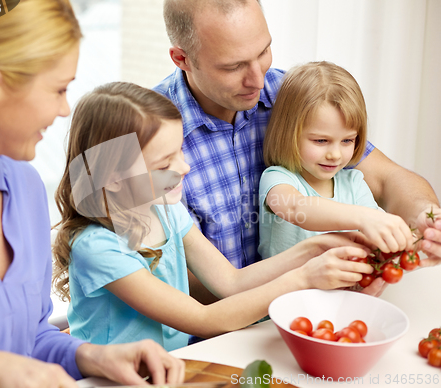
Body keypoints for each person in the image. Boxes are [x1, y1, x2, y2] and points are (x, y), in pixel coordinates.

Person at [0, 1, 184, 387]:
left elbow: (30, 339)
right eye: (58, 89)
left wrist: (94, 356)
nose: (64, 108)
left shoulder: (24, 188)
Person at [53, 81, 376, 352]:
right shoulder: (97, 247)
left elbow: (231, 283)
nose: (184, 167)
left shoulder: (167, 212)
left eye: (181, 151)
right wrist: (304, 279)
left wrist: (314, 250)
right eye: (165, 164)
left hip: (171, 369)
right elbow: (204, 321)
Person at [154, 0, 441, 305]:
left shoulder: (295, 94)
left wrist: (425, 217)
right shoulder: (135, 136)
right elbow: (156, 276)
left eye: (263, 51)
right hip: (210, 334)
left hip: (309, 315)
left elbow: (388, 179)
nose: (258, 79)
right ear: (181, 58)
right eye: (234, 66)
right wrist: (306, 279)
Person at [259, 61, 414, 259]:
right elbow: (296, 208)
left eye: (347, 140)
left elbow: (376, 237)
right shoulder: (277, 179)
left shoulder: (355, 184)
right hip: (286, 290)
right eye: (321, 140)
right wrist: (364, 218)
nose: (335, 154)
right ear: (288, 134)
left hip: (343, 288)